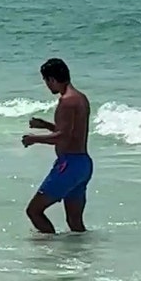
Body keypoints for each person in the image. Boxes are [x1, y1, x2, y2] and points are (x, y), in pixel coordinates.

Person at [21, 58, 93, 234]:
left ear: (52, 79)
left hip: (68, 165)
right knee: (75, 223)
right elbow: (72, 134)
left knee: (34, 211)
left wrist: (34, 139)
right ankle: (81, 256)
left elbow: (62, 137)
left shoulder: (66, 101)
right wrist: (46, 125)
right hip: (83, 163)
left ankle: (50, 255)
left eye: (46, 81)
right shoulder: (81, 98)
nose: (47, 86)